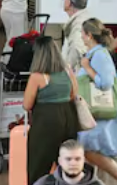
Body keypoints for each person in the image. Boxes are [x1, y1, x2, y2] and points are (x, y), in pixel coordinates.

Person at [75, 20, 117, 185]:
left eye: (82, 33)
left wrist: (87, 68)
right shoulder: (95, 54)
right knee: (90, 151)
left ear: (89, 35)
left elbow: (106, 83)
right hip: (94, 114)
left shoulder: (99, 55)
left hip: (99, 114)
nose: (81, 36)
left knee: (90, 150)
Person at [24, 37, 80, 184]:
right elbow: (73, 94)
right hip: (68, 117)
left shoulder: (37, 76)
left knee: (38, 165)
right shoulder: (68, 70)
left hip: (46, 121)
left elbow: (27, 104)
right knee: (68, 164)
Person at [31, 140, 105, 185]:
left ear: (84, 160)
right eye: (68, 159)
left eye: (77, 159)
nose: (73, 163)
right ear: (60, 161)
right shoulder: (45, 183)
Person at [62, 0, 93, 71]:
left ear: (70, 3)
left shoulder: (79, 24)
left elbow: (76, 48)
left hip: (75, 74)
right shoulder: (81, 19)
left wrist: (67, 70)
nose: (63, 0)